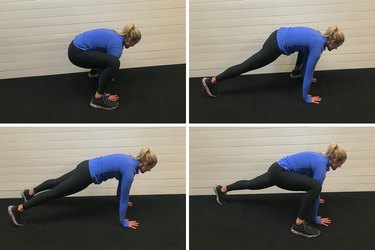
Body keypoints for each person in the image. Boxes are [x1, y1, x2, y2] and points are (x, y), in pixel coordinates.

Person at [213, 143, 347, 238]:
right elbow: (315, 187)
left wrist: (315, 196)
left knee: (251, 184)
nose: (340, 167)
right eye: (340, 163)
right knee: (316, 187)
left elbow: (311, 185)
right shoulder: (321, 167)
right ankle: (299, 225)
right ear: (335, 160)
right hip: (281, 174)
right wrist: (315, 219)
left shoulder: (318, 157)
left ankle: (222, 189)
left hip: (276, 168)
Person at [8, 147, 157, 229]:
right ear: (145, 163)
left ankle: (29, 192)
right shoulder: (130, 171)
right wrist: (123, 221)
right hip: (87, 175)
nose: (149, 170)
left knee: (56, 182)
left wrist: (118, 199)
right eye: (150, 167)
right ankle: (18, 209)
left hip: (86, 165)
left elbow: (121, 188)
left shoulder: (129, 159)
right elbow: (125, 196)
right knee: (55, 193)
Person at [202, 25, 345, 104]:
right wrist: (306, 97)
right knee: (246, 66)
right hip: (275, 45)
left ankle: (294, 73)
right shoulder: (318, 46)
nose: (336, 48)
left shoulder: (317, 35)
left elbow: (303, 51)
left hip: (277, 34)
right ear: (333, 41)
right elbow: (310, 72)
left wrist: (298, 72)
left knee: (247, 65)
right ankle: (212, 80)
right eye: (337, 46)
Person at [68, 23, 141, 110]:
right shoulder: (117, 47)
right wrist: (104, 93)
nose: (132, 46)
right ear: (130, 40)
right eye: (134, 43)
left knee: (106, 57)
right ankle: (98, 98)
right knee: (114, 63)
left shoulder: (115, 35)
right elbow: (107, 66)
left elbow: (103, 58)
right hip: (77, 54)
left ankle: (93, 72)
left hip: (74, 47)